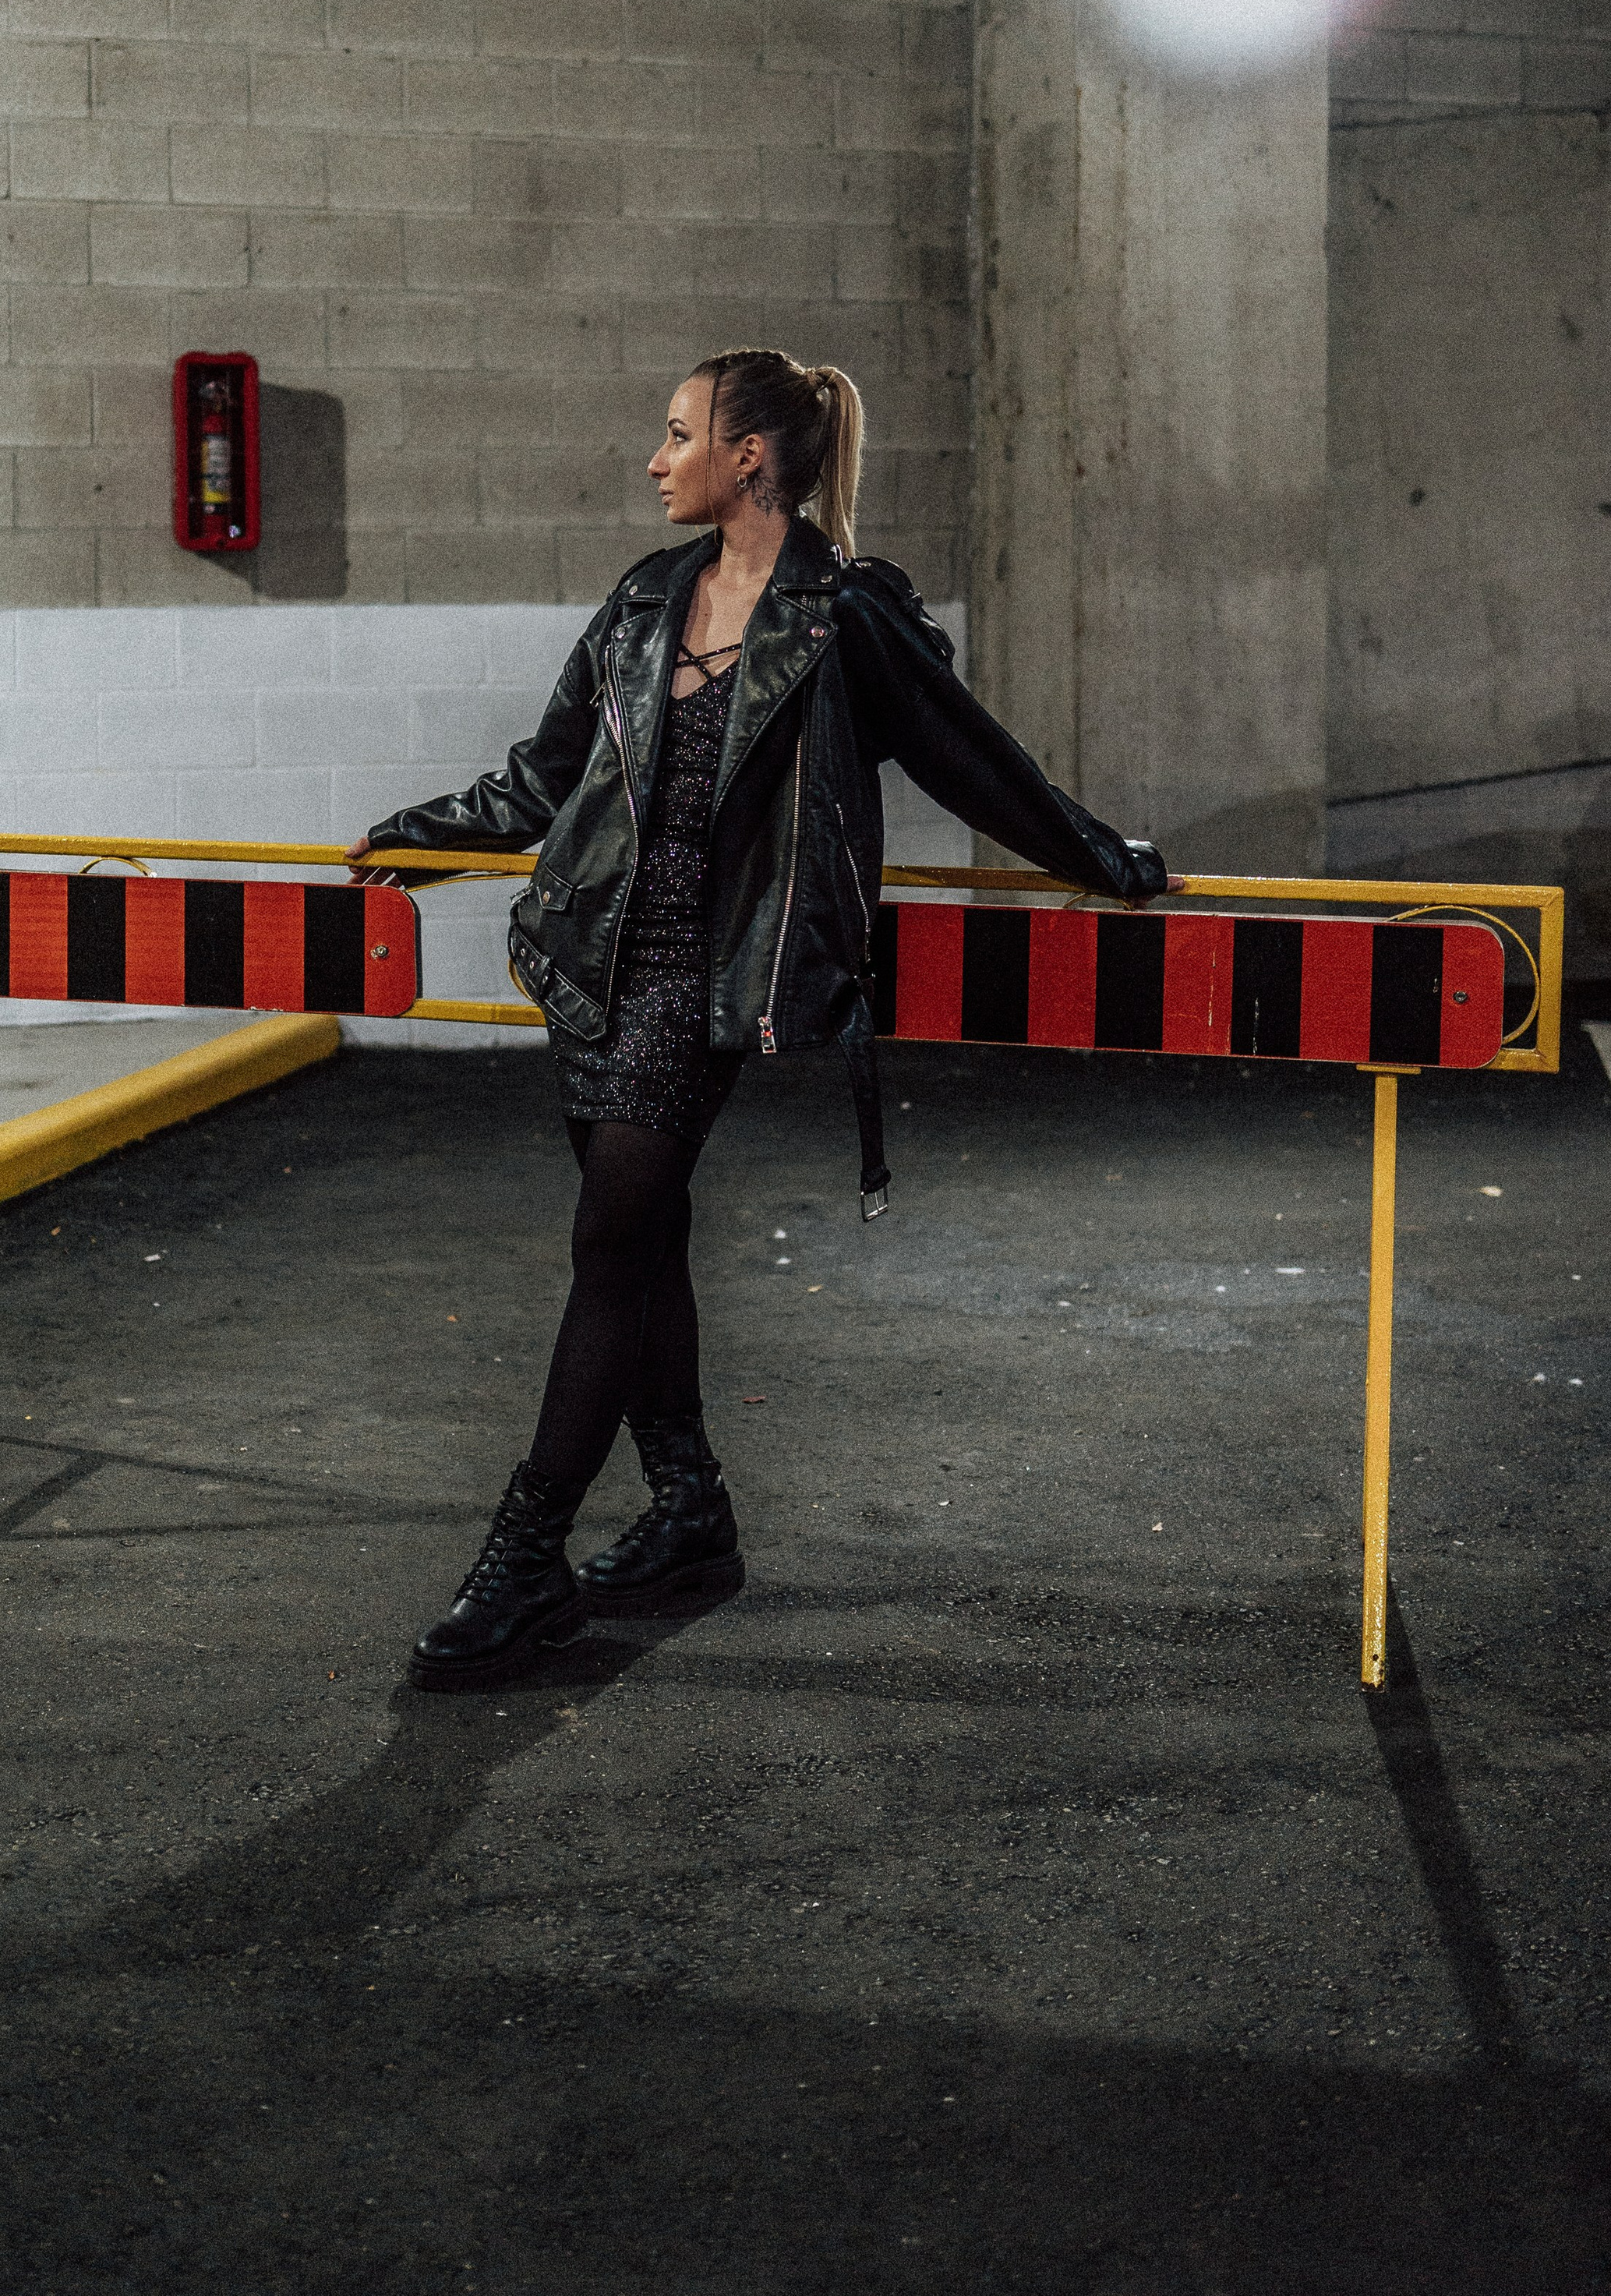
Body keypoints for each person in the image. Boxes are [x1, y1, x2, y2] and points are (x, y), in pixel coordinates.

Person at [348, 349, 1168, 1693]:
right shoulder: (643, 602)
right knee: (640, 1234)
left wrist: (1104, 858)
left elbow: (980, 765)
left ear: (750, 460)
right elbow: (548, 776)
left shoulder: (845, 619)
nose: (655, 459)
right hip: (591, 961)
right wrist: (422, 835)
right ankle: (685, 1512)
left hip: (705, 979)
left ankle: (524, 1561)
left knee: (610, 1245)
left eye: (677, 435)